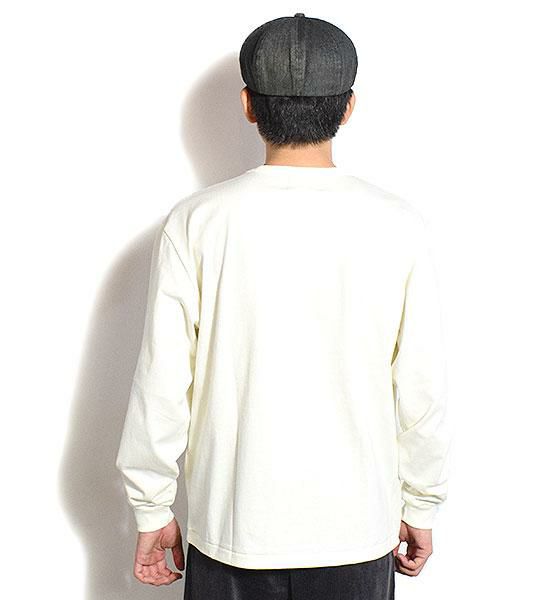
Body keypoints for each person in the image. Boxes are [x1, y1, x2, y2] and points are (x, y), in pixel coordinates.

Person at [115, 12, 450, 600]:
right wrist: (422, 503)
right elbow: (421, 386)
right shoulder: (399, 226)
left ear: (248, 105)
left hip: (232, 530)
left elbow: (162, 382)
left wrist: (152, 508)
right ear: (348, 108)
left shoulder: (197, 222)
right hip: (356, 532)